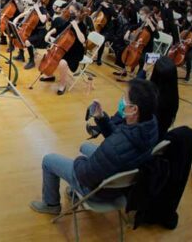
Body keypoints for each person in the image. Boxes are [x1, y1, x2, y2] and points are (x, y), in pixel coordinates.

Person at [30, 79, 158, 215]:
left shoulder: (113, 147)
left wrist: (79, 161)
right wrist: (102, 118)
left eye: (125, 98)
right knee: (85, 146)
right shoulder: (151, 125)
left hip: (98, 191)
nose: (122, 101)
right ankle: (73, 191)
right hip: (121, 186)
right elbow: (120, 138)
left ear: (134, 109)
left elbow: (85, 175)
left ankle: (51, 204)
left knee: (49, 160)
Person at [40, 2, 88, 95]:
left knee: (62, 62)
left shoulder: (83, 25)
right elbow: (59, 28)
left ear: (78, 12)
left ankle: (62, 85)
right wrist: (49, 33)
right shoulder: (70, 20)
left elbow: (82, 40)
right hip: (65, 46)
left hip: (76, 51)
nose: (70, 13)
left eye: (72, 11)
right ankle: (50, 74)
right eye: (70, 11)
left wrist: (75, 26)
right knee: (52, 52)